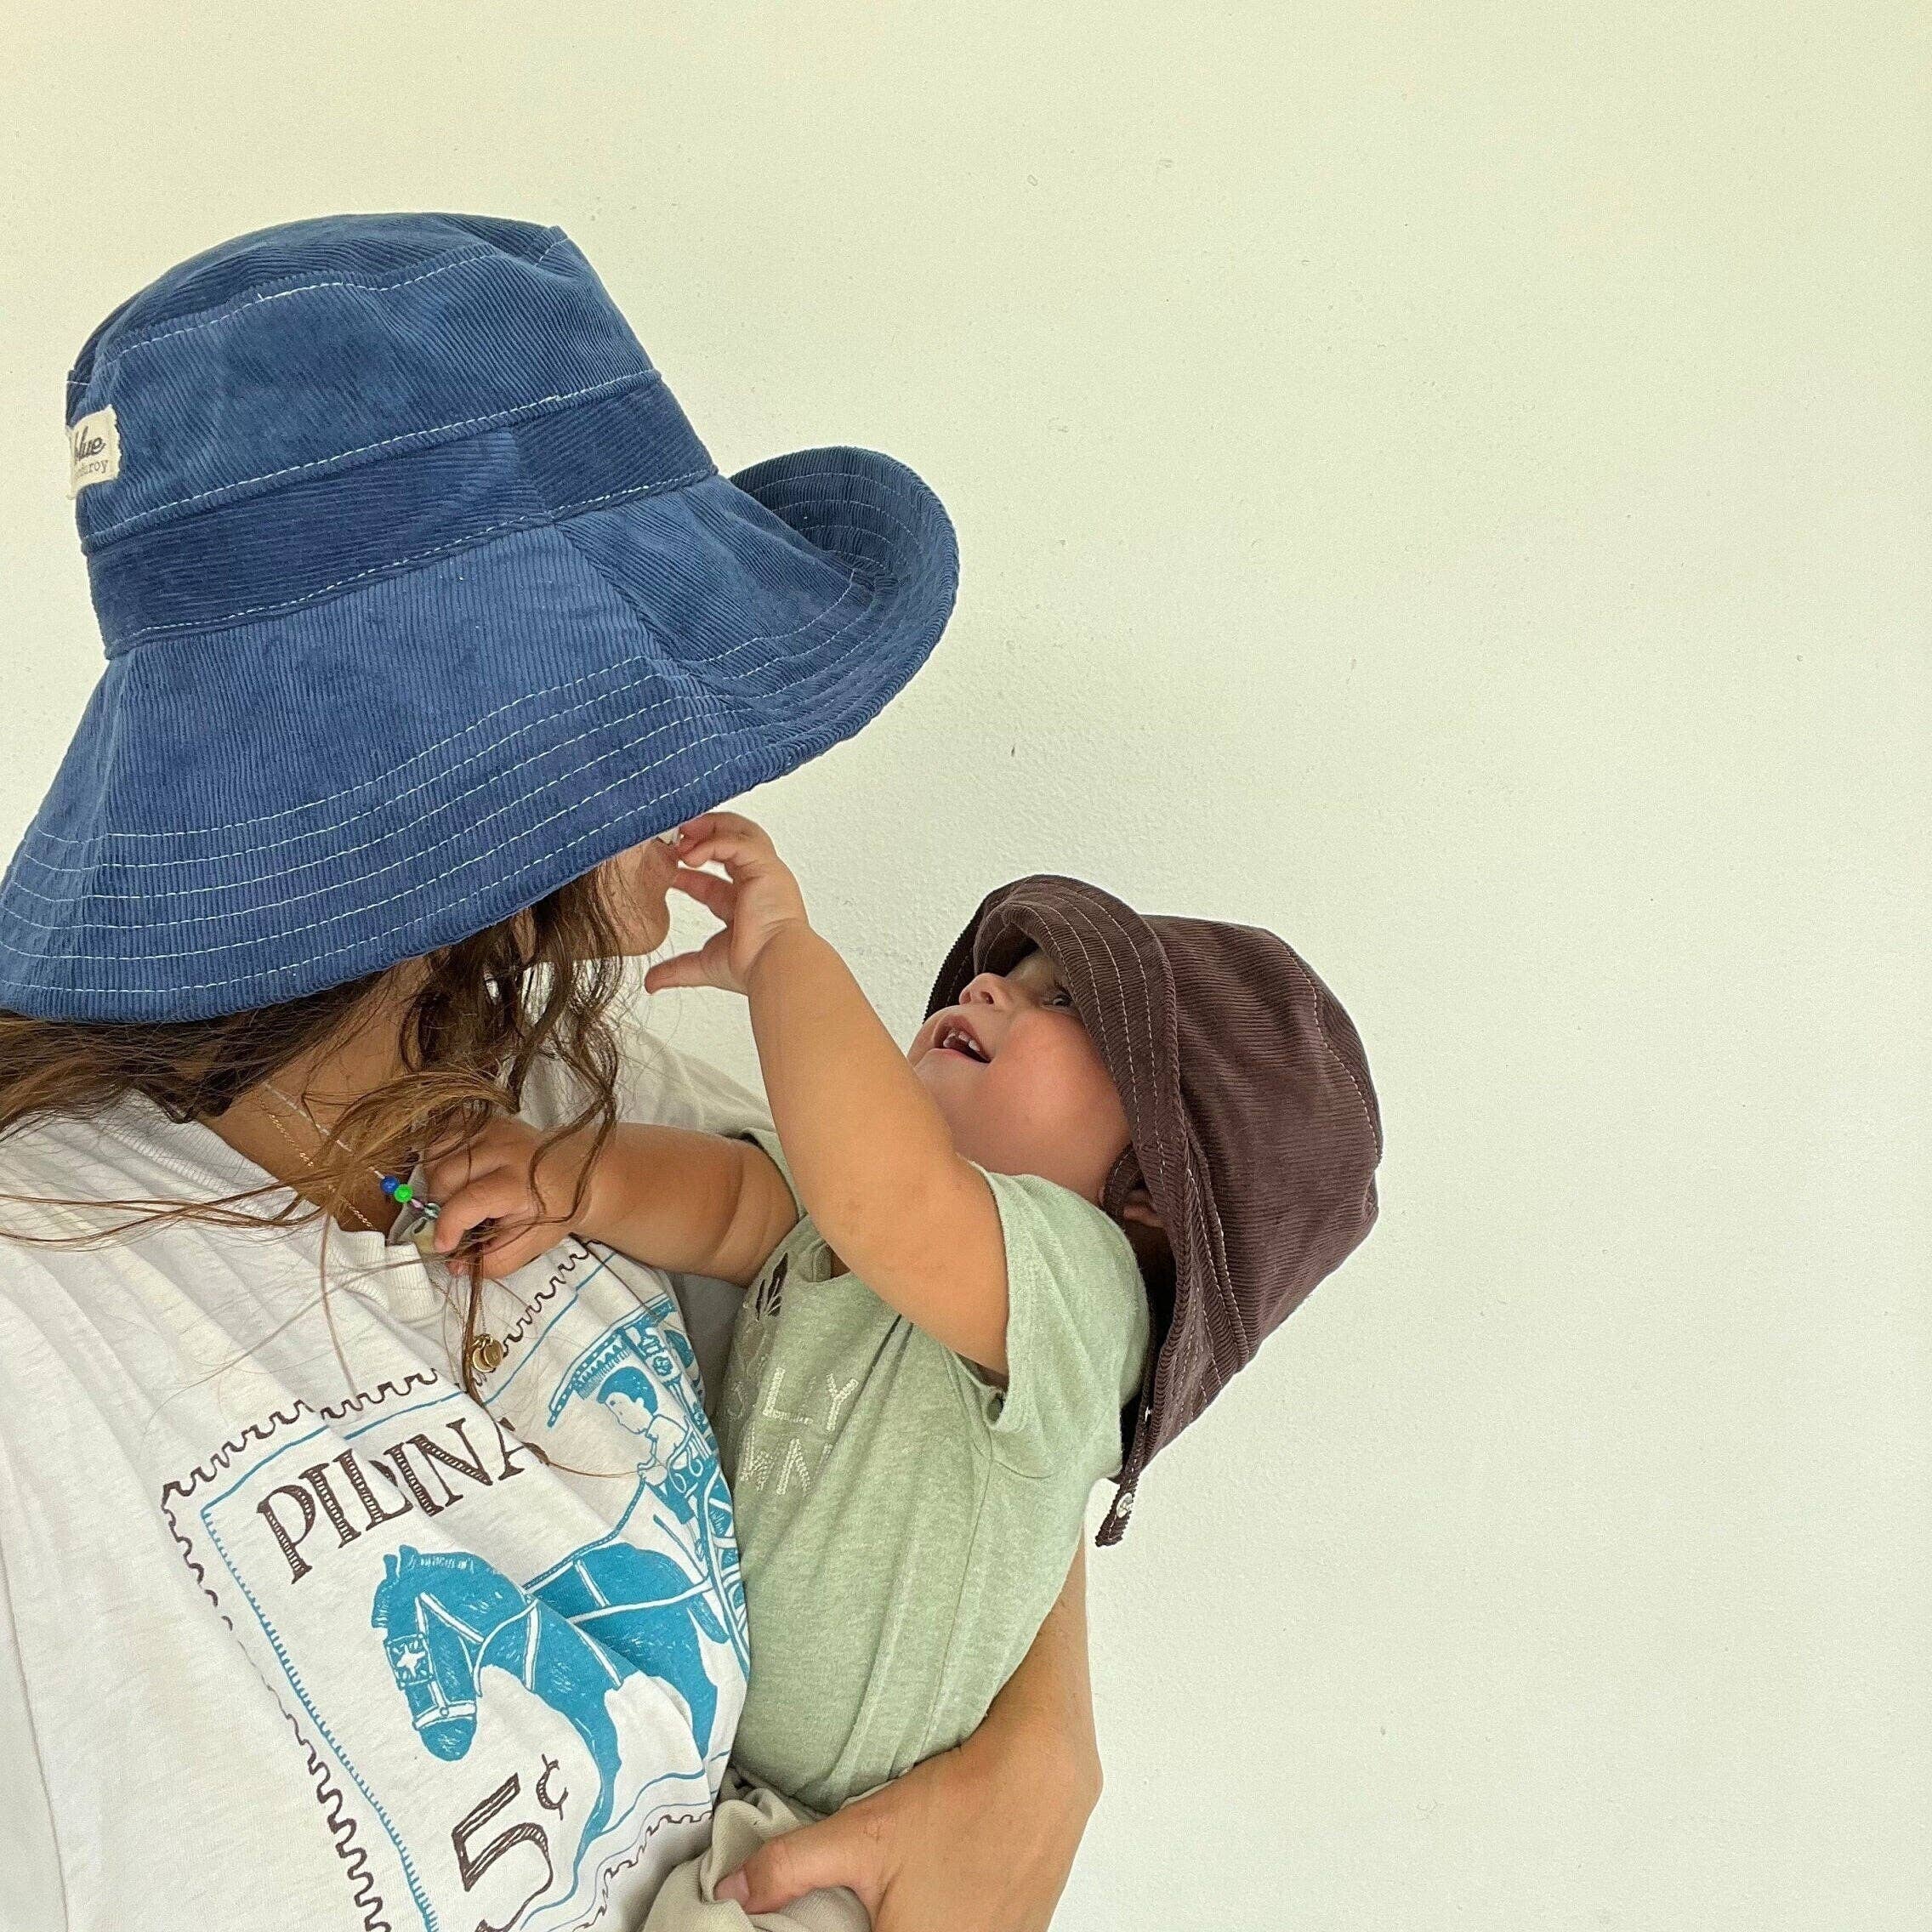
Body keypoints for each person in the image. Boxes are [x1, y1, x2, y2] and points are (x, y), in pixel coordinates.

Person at [0, 211, 1101, 1932]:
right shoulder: (49, 1323)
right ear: (442, 755)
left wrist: (1045, 1743)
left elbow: (957, 1344)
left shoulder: (616, 1098)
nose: (719, 755)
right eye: (642, 683)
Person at [420, 810, 1385, 1927]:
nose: (989, 988)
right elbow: (733, 1204)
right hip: (710, 1767)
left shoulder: (1087, 1296)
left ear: (1153, 1199)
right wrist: (570, 1178)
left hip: (849, 1842)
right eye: (1011, 976)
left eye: (1062, 1006)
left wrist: (785, 953)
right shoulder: (860, 1215)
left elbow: (884, 1191)